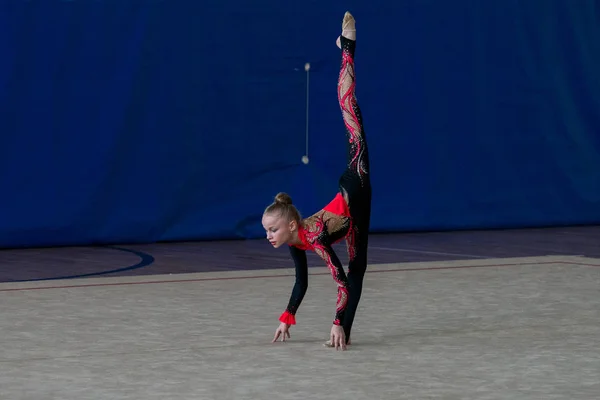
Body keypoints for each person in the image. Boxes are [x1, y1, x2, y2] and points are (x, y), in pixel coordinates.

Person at [261, 11, 371, 351]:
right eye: (267, 231)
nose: (268, 236)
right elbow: (301, 281)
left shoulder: (314, 236)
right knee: (358, 269)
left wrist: (336, 321)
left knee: (348, 106)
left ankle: (348, 47)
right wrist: (286, 316)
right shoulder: (296, 240)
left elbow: (338, 281)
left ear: (292, 225)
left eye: (273, 230)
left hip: (357, 180)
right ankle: (344, 333)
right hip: (351, 204)